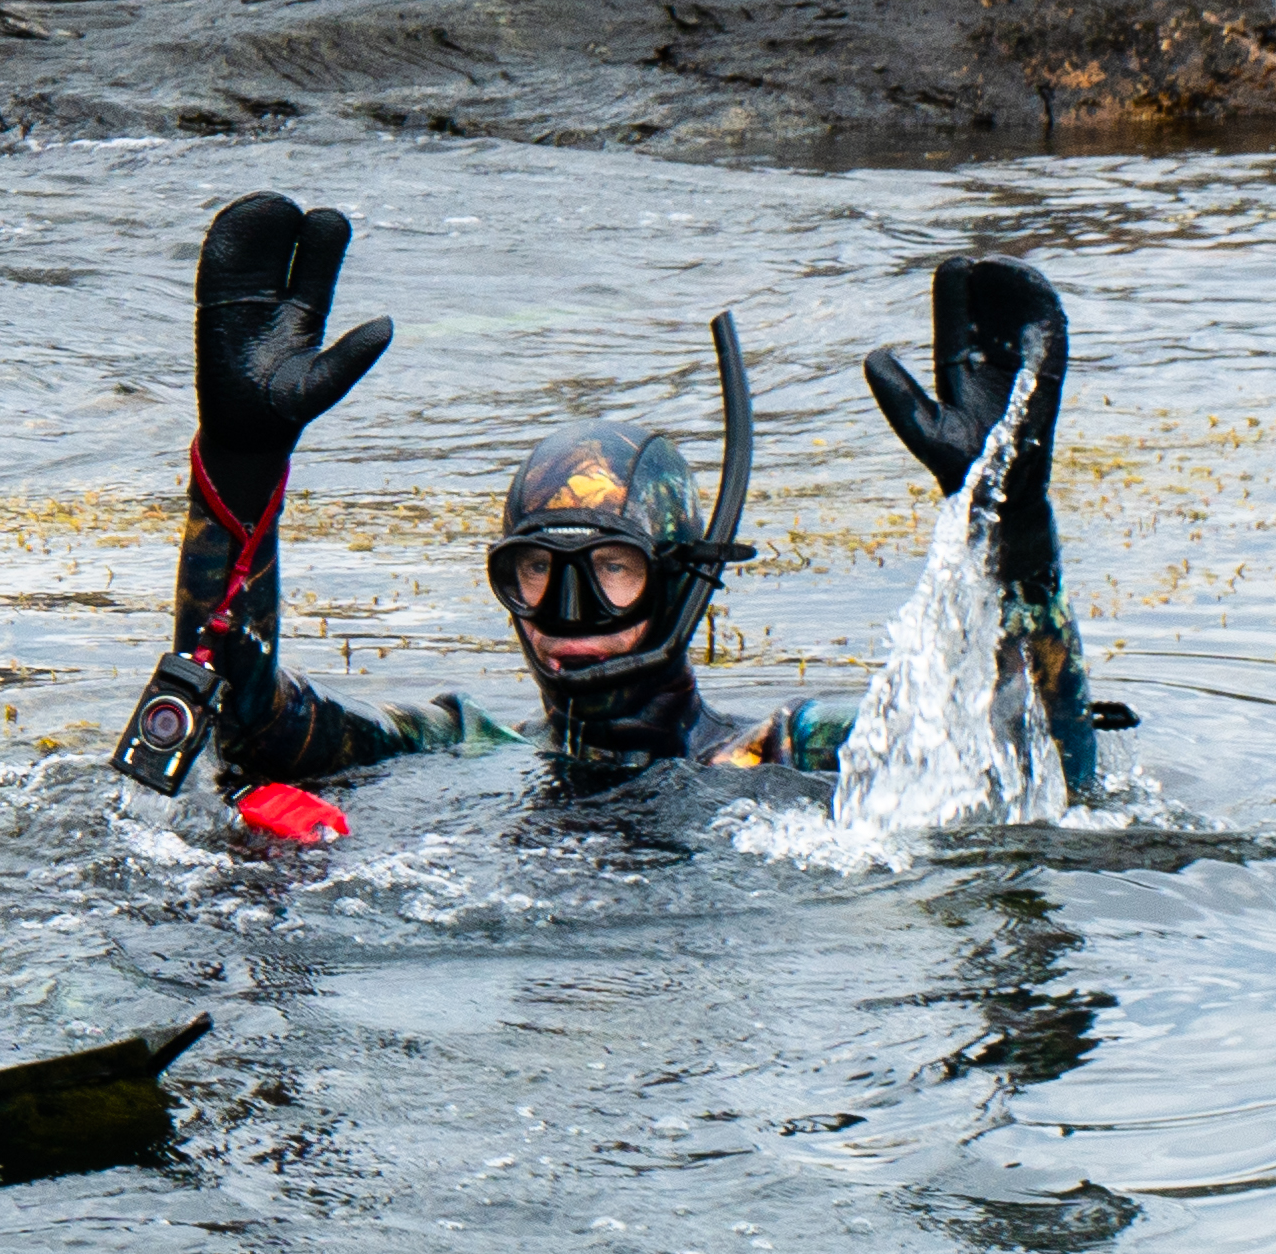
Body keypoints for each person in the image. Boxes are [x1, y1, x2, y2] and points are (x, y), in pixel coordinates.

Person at [106, 192, 1107, 811]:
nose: (568, 613)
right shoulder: (456, 748)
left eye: (611, 570)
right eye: (535, 572)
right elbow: (242, 722)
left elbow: (1027, 763)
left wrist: (1009, 520)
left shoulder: (792, 750)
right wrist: (241, 469)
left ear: (679, 584)